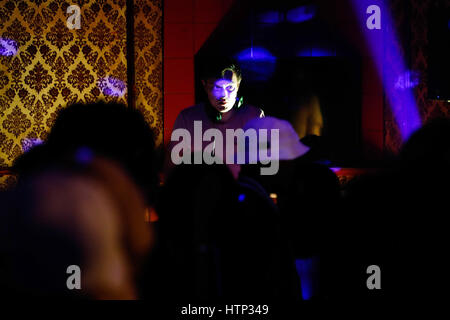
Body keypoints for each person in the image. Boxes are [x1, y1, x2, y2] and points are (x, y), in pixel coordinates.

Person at [167, 57, 264, 178]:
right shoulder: (187, 118)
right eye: (217, 87)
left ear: (238, 86)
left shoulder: (253, 116)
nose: (223, 95)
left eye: (230, 88)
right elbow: (172, 169)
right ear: (205, 85)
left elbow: (263, 168)